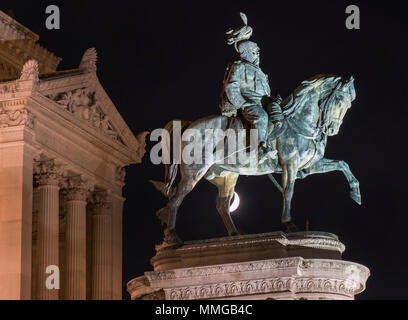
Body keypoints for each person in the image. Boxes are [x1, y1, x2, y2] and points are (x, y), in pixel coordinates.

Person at [220, 13, 283, 163]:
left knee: (282, 115)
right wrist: (243, 103)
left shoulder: (260, 72)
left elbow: (264, 92)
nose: (258, 55)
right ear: (247, 53)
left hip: (263, 103)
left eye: (258, 53)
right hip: (248, 104)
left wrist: (274, 100)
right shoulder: (239, 66)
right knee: (261, 117)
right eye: (255, 52)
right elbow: (231, 87)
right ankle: (260, 149)